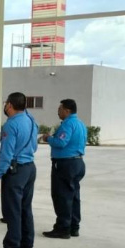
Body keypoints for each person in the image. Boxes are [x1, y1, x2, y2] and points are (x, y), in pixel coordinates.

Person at [0, 92, 39, 248]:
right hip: (29, 168)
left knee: (13, 212)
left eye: (5, 103)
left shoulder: (10, 125)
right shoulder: (31, 120)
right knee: (25, 209)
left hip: (15, 170)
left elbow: (6, 154)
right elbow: (34, 146)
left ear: (9, 105)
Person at [41, 99, 86, 239]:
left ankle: (63, 228)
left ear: (67, 111)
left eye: (60, 109)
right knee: (73, 196)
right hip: (77, 162)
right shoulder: (80, 123)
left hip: (65, 164)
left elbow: (61, 142)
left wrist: (48, 138)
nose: (58, 111)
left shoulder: (68, 124)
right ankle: (74, 226)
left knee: (62, 196)